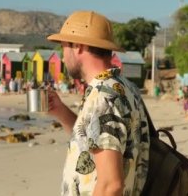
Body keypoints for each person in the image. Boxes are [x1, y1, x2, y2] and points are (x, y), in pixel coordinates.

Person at [46, 11, 150, 195]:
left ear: (77, 46)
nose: (63, 57)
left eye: (63, 47)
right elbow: (92, 141)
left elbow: (111, 185)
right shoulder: (123, 86)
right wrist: (61, 111)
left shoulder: (103, 97)